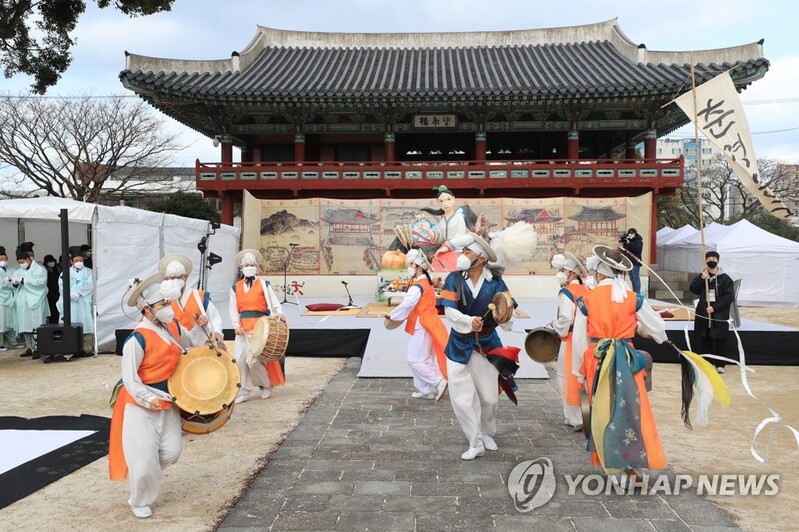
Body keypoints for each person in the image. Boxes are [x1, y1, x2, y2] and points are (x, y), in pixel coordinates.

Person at [572, 245, 669, 475]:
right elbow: (657, 328)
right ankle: (632, 460)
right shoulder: (632, 298)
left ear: (599, 274)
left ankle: (611, 465)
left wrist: (579, 371)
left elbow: (579, 340)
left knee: (604, 409)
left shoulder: (588, 299)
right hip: (626, 359)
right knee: (632, 407)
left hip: (599, 359)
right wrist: (658, 336)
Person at [109, 272, 192, 519]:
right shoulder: (136, 339)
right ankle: (139, 498)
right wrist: (147, 398)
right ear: (146, 309)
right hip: (141, 403)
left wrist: (206, 329)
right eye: (162, 304)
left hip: (171, 399)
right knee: (143, 460)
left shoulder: (174, 326)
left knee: (171, 452)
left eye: (168, 303)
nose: (168, 308)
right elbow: (130, 379)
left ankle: (143, 473)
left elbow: (191, 348)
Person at [439, 232, 515, 460]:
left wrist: (506, 319)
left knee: (490, 397)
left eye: (467, 251)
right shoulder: (454, 278)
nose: (462, 255)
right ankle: (475, 441)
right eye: (462, 251)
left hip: (487, 343)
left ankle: (487, 431)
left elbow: (507, 309)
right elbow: (448, 309)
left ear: (480, 258)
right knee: (462, 398)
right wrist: (467, 321)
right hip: (459, 344)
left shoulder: (496, 282)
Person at [387, 249, 448, 400]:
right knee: (425, 358)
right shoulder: (425, 283)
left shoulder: (417, 286)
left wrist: (392, 315)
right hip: (429, 323)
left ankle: (438, 381)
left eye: (411, 264)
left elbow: (407, 304)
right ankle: (427, 390)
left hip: (423, 324)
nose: (409, 266)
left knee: (413, 359)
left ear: (419, 267)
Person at [229, 249, 286, 403]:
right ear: (241, 268)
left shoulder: (263, 284)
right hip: (242, 328)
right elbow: (233, 309)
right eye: (246, 264)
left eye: (252, 264)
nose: (249, 266)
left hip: (260, 326)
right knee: (240, 359)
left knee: (253, 360)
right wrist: (236, 325)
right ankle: (244, 391)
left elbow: (275, 303)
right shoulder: (235, 287)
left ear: (256, 267)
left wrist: (279, 312)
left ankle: (266, 384)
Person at [549, 252, 589, 432]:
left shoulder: (566, 292)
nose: (560, 272)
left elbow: (565, 318)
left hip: (570, 339)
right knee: (582, 375)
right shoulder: (586, 290)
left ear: (573, 273)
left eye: (563, 270)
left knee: (565, 376)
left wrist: (556, 327)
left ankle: (574, 417)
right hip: (586, 338)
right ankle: (583, 413)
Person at [158, 253, 224, 347]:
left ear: (186, 277)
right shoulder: (162, 301)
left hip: (200, 346)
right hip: (176, 346)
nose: (176, 280)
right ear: (166, 278)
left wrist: (217, 331)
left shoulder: (199, 296)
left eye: (179, 276)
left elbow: (214, 317)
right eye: (172, 277)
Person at [689, 251, 736, 374]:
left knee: (719, 340)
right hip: (704, 314)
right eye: (709, 258)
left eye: (714, 258)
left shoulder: (725, 279)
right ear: (705, 260)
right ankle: (706, 364)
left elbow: (729, 297)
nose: (711, 260)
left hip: (718, 315)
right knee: (705, 339)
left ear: (718, 261)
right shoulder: (703, 276)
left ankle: (720, 365)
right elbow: (693, 289)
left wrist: (715, 307)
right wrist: (701, 278)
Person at [11, 245, 49, 357]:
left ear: (28, 259)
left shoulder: (40, 269)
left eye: (22, 261)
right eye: (19, 262)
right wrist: (14, 282)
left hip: (35, 301)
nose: (21, 264)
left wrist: (23, 281)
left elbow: (40, 283)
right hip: (22, 302)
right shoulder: (19, 270)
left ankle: (37, 348)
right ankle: (29, 347)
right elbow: (13, 284)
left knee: (35, 325)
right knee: (25, 326)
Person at [56, 246, 94, 338]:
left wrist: (79, 293)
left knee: (84, 322)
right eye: (76, 260)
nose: (79, 262)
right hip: (70, 300)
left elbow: (91, 285)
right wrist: (69, 294)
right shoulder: (65, 272)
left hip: (83, 300)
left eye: (81, 260)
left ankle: (82, 345)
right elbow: (61, 285)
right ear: (71, 261)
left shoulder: (89, 272)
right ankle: (69, 343)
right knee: (71, 320)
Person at [0, 246, 19, 351]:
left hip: (11, 299)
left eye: (5, 259)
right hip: (1, 300)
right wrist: (8, 281)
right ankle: (0, 344)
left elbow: (15, 281)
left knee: (12, 322)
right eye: (1, 259)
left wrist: (9, 281)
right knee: (0, 323)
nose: (3, 261)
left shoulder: (11, 269)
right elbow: (1, 284)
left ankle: (13, 342)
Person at [619, 228, 643, 294]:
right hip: (629, 262)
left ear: (634, 234)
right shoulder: (629, 241)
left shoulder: (638, 241)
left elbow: (638, 249)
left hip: (635, 262)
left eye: (630, 234)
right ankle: (634, 291)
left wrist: (629, 243)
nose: (629, 236)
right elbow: (626, 250)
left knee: (635, 278)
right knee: (632, 278)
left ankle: (637, 293)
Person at [43, 254, 61, 324]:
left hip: (58, 292)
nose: (51, 263)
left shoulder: (59, 268)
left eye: (52, 261)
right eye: (49, 261)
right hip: (49, 294)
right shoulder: (44, 270)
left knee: (58, 310)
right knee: (51, 311)